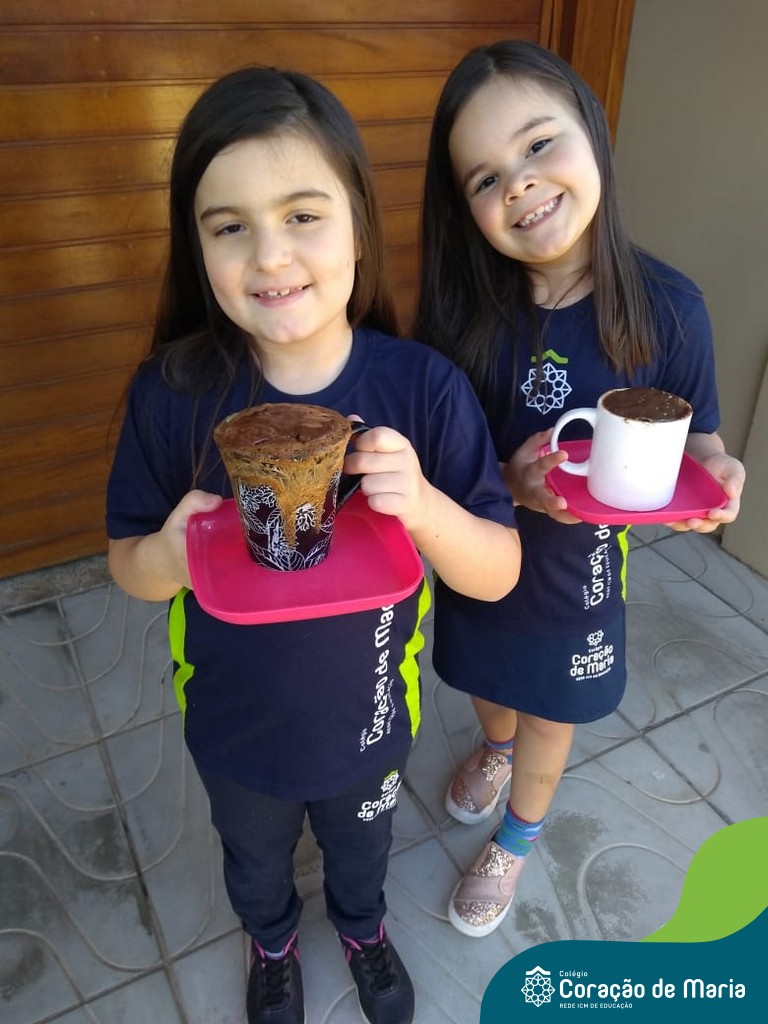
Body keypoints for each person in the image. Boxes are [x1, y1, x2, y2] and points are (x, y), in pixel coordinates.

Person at [105, 66, 521, 1024]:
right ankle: (272, 942)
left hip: (372, 718)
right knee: (253, 858)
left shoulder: (423, 390)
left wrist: (424, 507)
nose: (269, 254)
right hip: (232, 728)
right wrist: (168, 553)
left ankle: (363, 928)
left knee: (362, 848)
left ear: (360, 228)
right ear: (197, 248)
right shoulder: (174, 396)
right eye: (228, 226)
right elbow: (128, 565)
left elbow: (497, 573)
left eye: (303, 214)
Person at [413, 40, 746, 939]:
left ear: (593, 132)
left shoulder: (669, 309)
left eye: (537, 144)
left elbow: (699, 439)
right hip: (479, 558)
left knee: (551, 711)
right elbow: (435, 459)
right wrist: (505, 483)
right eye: (485, 179)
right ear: (465, 209)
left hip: (579, 580)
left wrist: (718, 474)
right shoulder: (460, 317)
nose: (518, 183)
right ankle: (494, 745)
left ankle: (518, 836)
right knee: (484, 680)